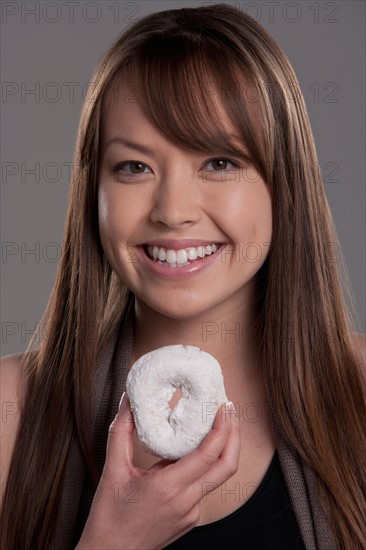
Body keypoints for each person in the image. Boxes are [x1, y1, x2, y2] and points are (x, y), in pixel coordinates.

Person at [1, 4, 365, 549]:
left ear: (282, 184)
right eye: (134, 167)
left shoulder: (359, 389)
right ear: (92, 193)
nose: (173, 210)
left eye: (219, 162)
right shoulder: (12, 411)